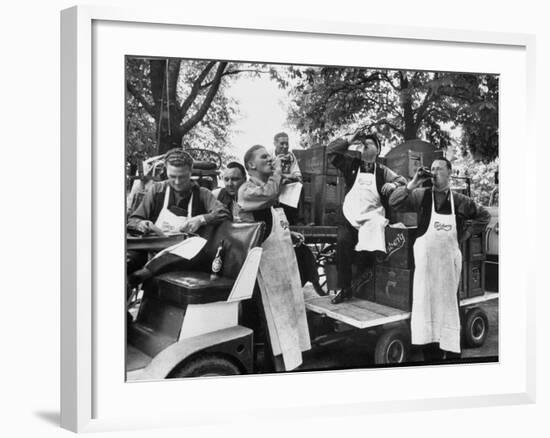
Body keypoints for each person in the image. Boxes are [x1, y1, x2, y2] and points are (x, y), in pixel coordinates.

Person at [389, 158, 491, 361]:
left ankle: (453, 355)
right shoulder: (420, 195)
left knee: (449, 313)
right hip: (427, 274)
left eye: (439, 168)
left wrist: (466, 234)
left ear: (449, 173)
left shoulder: (461, 201)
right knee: (428, 315)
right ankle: (431, 357)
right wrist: (413, 183)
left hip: (448, 274)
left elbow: (484, 216)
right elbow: (394, 202)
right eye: (432, 168)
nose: (434, 172)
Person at [237, 144, 312, 372]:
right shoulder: (247, 190)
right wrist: (279, 170)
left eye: (270, 157)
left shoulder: (270, 187)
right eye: (264, 157)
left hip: (281, 267)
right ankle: (272, 372)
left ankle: (289, 366)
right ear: (251, 165)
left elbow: (272, 218)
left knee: (287, 318)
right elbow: (269, 196)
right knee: (270, 324)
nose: (271, 159)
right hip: (264, 271)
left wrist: (289, 232)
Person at [126, 148, 230, 285]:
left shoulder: (202, 194)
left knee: (193, 248)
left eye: (182, 177)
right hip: (153, 246)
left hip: (182, 252)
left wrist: (201, 219)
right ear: (166, 172)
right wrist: (141, 224)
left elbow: (223, 213)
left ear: (190, 172)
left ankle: (145, 273)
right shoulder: (157, 190)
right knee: (127, 262)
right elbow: (133, 220)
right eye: (172, 176)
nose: (177, 181)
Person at [327, 131, 407, 304]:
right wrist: (350, 139)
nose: (365, 145)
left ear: (377, 149)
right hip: (350, 215)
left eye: (369, 143)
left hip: (372, 217)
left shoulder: (384, 171)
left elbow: (403, 182)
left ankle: (367, 282)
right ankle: (345, 288)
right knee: (343, 243)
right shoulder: (351, 164)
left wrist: (393, 184)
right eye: (363, 143)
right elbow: (331, 152)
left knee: (370, 247)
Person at [272, 132, 302, 225]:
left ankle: (297, 220)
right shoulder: (269, 155)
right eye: (282, 143)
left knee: (299, 187)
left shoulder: (291, 156)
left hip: (287, 184)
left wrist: (285, 177)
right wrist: (281, 177)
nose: (285, 146)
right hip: (273, 184)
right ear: (275, 144)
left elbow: (298, 176)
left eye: (287, 143)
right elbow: (267, 174)